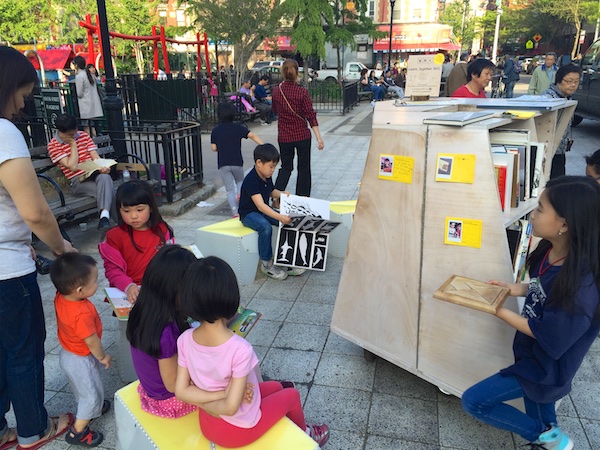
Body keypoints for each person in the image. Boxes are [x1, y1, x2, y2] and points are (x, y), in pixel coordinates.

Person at [462, 176, 600, 450]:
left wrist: (496, 309)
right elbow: (541, 287)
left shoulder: (581, 284)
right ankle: (549, 440)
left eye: (539, 209)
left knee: (474, 401)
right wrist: (514, 289)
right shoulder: (550, 251)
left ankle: (548, 438)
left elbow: (551, 334)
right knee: (540, 407)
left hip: (546, 366)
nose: (533, 214)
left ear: (564, 224)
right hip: (531, 353)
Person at [0, 45, 76, 450]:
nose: (21, 106)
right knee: (22, 350)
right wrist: (61, 247)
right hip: (7, 274)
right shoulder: (3, 132)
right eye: (23, 95)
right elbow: (35, 212)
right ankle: (33, 428)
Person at [175, 256, 330, 448]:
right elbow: (231, 407)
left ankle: (283, 418)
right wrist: (227, 394)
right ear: (230, 298)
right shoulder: (239, 348)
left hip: (207, 424)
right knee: (291, 396)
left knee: (274, 387)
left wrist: (222, 394)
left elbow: (181, 391)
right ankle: (308, 436)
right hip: (236, 430)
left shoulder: (184, 339)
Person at [126, 245, 198, 418]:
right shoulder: (165, 334)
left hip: (151, 390)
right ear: (174, 291)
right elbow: (173, 385)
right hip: (169, 400)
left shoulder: (143, 311)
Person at [50, 253, 111, 447]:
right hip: (81, 359)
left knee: (83, 389)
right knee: (90, 394)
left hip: (68, 353)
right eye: (95, 281)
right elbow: (92, 341)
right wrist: (103, 357)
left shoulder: (62, 296)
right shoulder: (81, 313)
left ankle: (96, 407)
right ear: (79, 290)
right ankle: (78, 432)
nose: (97, 282)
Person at [98, 180, 174, 303]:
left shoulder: (162, 230)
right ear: (119, 210)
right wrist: (128, 286)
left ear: (151, 208)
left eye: (139, 210)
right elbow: (112, 270)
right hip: (129, 292)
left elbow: (172, 261)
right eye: (126, 211)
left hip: (159, 290)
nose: (133, 216)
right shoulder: (114, 236)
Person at [239, 144, 305, 281]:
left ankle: (288, 260)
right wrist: (279, 216)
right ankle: (266, 264)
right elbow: (261, 205)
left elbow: (270, 191)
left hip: (261, 210)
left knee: (289, 222)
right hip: (249, 214)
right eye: (271, 166)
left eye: (274, 167)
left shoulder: (266, 175)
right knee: (265, 226)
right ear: (258, 163)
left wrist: (282, 194)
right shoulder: (251, 179)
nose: (273, 170)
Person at [47, 113, 114, 229]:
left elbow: (95, 157)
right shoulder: (53, 146)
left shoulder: (83, 136)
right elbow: (72, 166)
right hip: (78, 181)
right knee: (110, 192)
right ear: (60, 131)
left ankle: (104, 218)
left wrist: (103, 167)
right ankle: (117, 226)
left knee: (105, 177)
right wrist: (73, 145)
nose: (74, 136)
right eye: (70, 135)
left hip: (94, 174)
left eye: (75, 132)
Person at [272, 59, 324, 197]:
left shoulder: (277, 91)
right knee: (304, 168)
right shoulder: (302, 92)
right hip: (302, 135)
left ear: (283, 72)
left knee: (286, 167)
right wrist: (319, 138)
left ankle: (276, 196)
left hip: (284, 136)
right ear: (297, 73)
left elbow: (274, 110)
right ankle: (302, 198)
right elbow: (310, 116)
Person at [211, 102, 264, 217]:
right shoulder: (238, 128)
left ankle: (235, 212)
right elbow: (252, 135)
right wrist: (263, 145)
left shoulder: (215, 130)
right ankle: (240, 195)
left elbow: (214, 148)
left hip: (223, 164)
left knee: (229, 190)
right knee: (240, 181)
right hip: (237, 162)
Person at [542, 64, 581, 179]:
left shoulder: (567, 98)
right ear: (559, 80)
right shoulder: (548, 99)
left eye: (576, 81)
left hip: (560, 150)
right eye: (569, 81)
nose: (573, 85)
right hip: (546, 152)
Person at [73, 56, 103, 136]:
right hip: (94, 104)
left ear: (76, 65)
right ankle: (96, 142)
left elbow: (79, 93)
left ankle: (88, 143)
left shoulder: (79, 76)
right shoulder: (90, 74)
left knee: (86, 126)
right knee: (93, 126)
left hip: (85, 105)